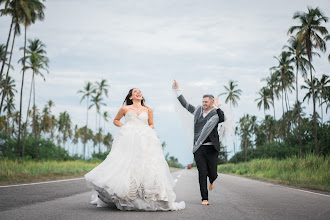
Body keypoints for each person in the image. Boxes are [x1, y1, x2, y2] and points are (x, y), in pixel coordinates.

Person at [84, 88, 185, 211]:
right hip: (128, 139)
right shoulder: (125, 109)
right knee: (126, 163)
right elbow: (115, 121)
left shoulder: (147, 110)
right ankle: (124, 194)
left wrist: (146, 130)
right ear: (131, 97)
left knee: (146, 164)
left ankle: (146, 196)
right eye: (135, 91)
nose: (139, 92)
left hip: (144, 138)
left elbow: (151, 124)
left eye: (140, 92)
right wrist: (126, 127)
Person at [172, 80, 224, 206]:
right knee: (202, 172)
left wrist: (217, 106)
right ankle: (204, 198)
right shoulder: (197, 112)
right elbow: (185, 104)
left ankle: (212, 179)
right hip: (199, 148)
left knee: (212, 173)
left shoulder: (215, 114)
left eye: (206, 102)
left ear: (212, 102)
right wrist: (177, 91)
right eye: (203, 102)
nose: (204, 104)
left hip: (212, 149)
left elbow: (222, 118)